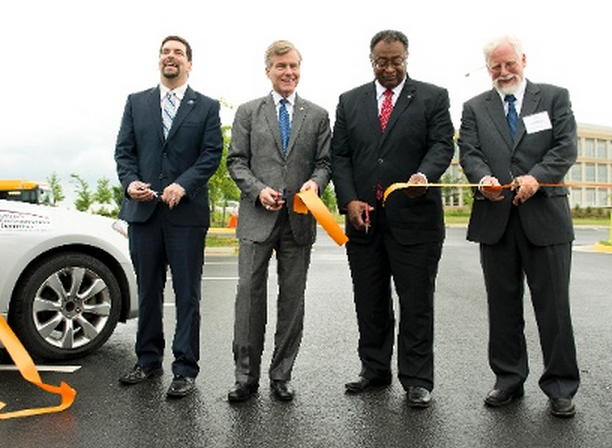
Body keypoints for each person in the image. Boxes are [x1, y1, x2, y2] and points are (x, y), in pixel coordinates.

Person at [331, 30, 454, 408]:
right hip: (364, 220)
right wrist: (349, 201)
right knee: (369, 299)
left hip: (415, 220)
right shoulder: (349, 101)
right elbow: (341, 157)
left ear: (407, 58)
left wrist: (424, 175)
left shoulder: (433, 97)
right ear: (371, 60)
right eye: (381, 61)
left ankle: (417, 379)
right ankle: (374, 369)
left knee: (416, 302)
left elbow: (441, 144)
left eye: (395, 60)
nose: (388, 68)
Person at [458, 35, 579, 418]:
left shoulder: (554, 97)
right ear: (487, 67)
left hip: (545, 218)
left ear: (523, 59)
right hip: (496, 220)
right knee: (502, 306)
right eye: (495, 66)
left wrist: (537, 177)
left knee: (554, 308)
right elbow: (470, 152)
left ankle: (560, 386)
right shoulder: (475, 107)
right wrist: (482, 181)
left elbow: (565, 146)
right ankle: (508, 379)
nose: (503, 71)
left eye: (509, 63)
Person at [115, 35, 223, 398]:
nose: (170, 57)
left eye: (178, 52)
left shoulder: (206, 107)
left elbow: (211, 155)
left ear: (190, 63)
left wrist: (184, 185)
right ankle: (147, 360)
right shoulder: (136, 103)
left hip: (186, 216)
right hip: (143, 214)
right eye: (165, 52)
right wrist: (130, 184)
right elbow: (124, 153)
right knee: (148, 292)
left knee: (187, 294)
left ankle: (185, 368)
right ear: (158, 60)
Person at [225, 40, 331, 403]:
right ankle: (245, 377)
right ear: (268, 70)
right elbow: (236, 162)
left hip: (299, 222)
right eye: (281, 66)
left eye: (294, 66)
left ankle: (281, 375)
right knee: (249, 299)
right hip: (257, 218)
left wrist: (315, 183)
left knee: (292, 301)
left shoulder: (316, 115)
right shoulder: (248, 112)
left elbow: (324, 163)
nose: (289, 72)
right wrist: (258, 191)